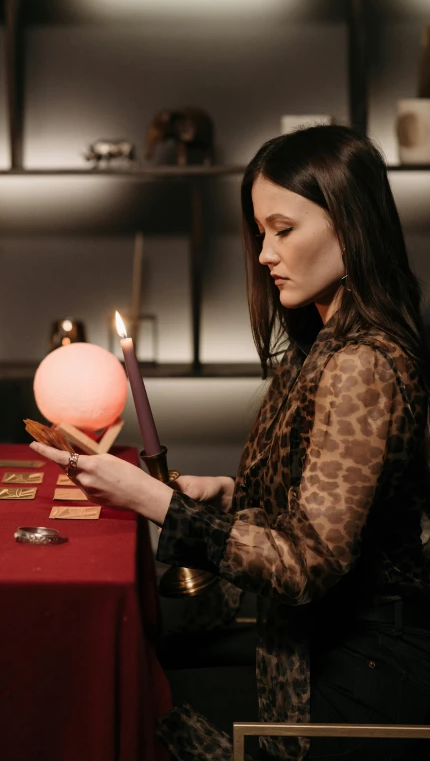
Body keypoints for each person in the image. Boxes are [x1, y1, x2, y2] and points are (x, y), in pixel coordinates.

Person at [29, 125, 430, 761]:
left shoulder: (361, 364)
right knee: (135, 662)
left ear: (351, 226)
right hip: (316, 640)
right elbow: (339, 502)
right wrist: (231, 494)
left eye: (284, 229)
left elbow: (307, 566)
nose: (266, 253)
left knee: (130, 699)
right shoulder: (320, 345)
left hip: (366, 669)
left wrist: (161, 506)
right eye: (260, 232)